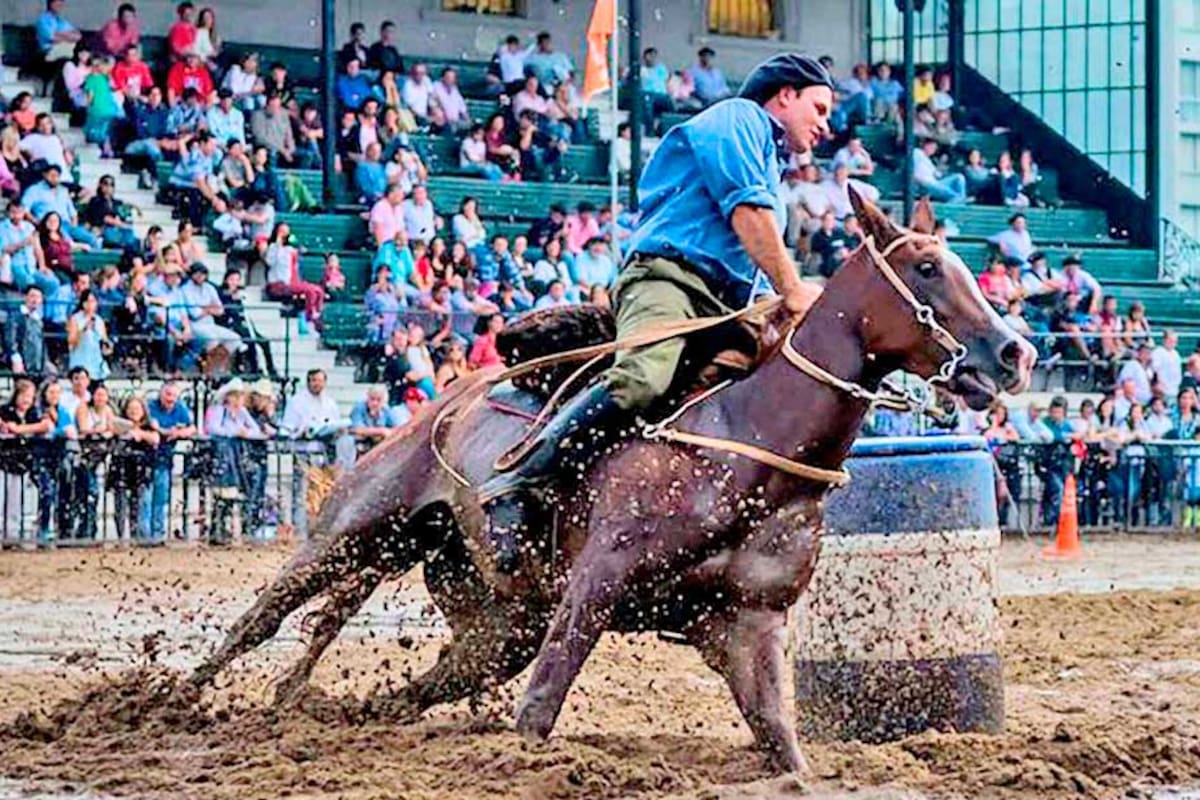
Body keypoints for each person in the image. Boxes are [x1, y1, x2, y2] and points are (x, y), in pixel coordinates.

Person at [476, 52, 832, 521]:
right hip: (667, 279)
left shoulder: (772, 163)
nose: (826, 126)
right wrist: (793, 289)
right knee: (644, 378)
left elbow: (759, 267)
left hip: (726, 306)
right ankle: (520, 478)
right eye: (819, 109)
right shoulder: (739, 117)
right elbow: (748, 213)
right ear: (785, 95)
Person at [145, 381, 196, 542]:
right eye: (168, 394)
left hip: (164, 458)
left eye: (174, 395)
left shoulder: (179, 408)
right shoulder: (151, 406)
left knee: (161, 497)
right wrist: (168, 431)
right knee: (146, 498)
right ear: (161, 394)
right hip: (146, 457)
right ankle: (144, 535)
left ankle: (157, 534)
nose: (170, 399)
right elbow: (153, 425)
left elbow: (192, 428)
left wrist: (179, 433)